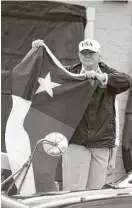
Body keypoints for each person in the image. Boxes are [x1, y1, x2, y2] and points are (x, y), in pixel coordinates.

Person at [32, 39, 130, 190]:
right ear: (79, 56)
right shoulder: (69, 73)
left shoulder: (108, 73)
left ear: (99, 56)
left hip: (102, 143)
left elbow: (126, 81)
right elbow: (44, 71)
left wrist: (102, 78)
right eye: (84, 53)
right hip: (76, 141)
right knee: (74, 190)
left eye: (91, 53)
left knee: (95, 193)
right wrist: (36, 52)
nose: (87, 56)